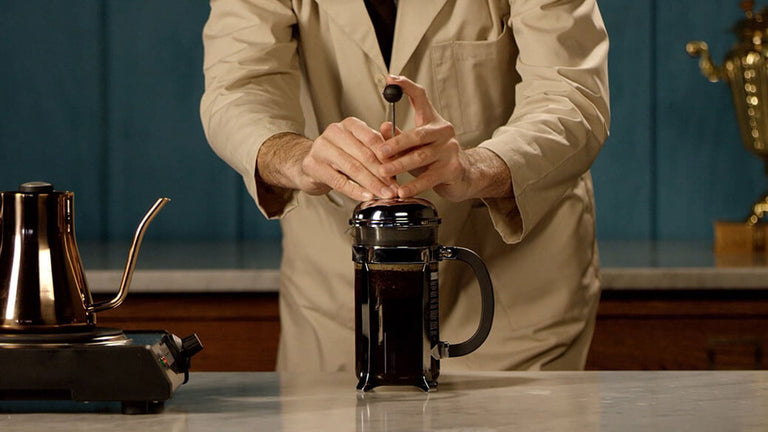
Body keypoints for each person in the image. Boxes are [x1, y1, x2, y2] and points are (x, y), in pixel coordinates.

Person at [200, 0, 610, 372]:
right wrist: (297, 157)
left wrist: (476, 167)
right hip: (337, 295)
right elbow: (237, 88)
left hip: (509, 291)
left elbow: (570, 96)